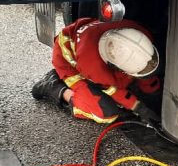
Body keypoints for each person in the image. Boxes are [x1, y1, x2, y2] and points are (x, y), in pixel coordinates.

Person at [32, 17, 161, 125]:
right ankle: (54, 85)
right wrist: (139, 108)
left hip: (90, 46)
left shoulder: (138, 35)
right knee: (105, 113)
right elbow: (113, 90)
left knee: (136, 74)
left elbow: (144, 65)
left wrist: (153, 92)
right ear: (112, 65)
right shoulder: (94, 66)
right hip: (67, 63)